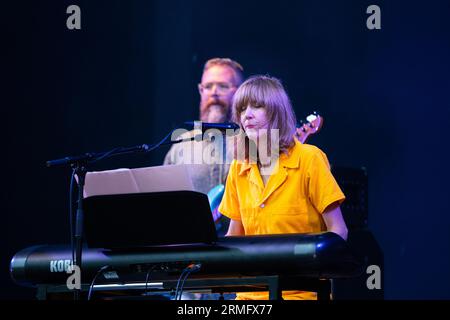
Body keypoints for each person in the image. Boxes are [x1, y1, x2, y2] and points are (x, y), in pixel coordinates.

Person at [218, 75, 348, 300]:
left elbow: (338, 231)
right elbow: (234, 237)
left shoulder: (310, 159)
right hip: (249, 297)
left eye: (257, 106)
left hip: (301, 294)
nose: (247, 114)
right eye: (242, 108)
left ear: (277, 112)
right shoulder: (239, 168)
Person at [163, 58, 244, 235]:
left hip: (241, 248)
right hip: (190, 247)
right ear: (200, 90)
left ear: (240, 92)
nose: (214, 93)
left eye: (223, 86)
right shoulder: (180, 144)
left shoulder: (254, 141)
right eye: (208, 86)